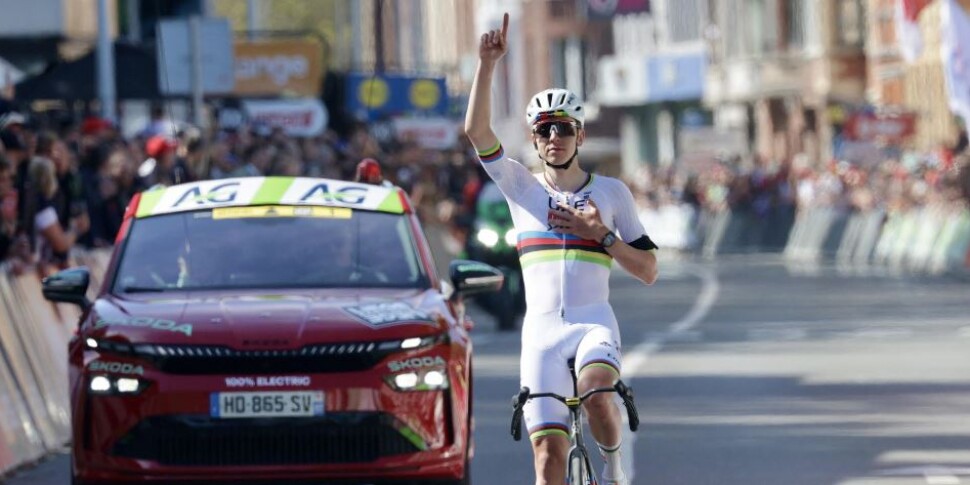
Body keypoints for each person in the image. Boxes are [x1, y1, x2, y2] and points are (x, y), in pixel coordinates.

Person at [464, 13, 658, 485]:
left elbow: (649, 269)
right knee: (548, 459)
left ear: (580, 136)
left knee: (596, 395)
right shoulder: (520, 187)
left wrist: (603, 237)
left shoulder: (612, 193)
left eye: (564, 129)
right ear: (534, 138)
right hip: (541, 336)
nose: (555, 138)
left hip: (594, 324)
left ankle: (614, 469)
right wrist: (488, 64)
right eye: (546, 130)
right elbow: (477, 133)